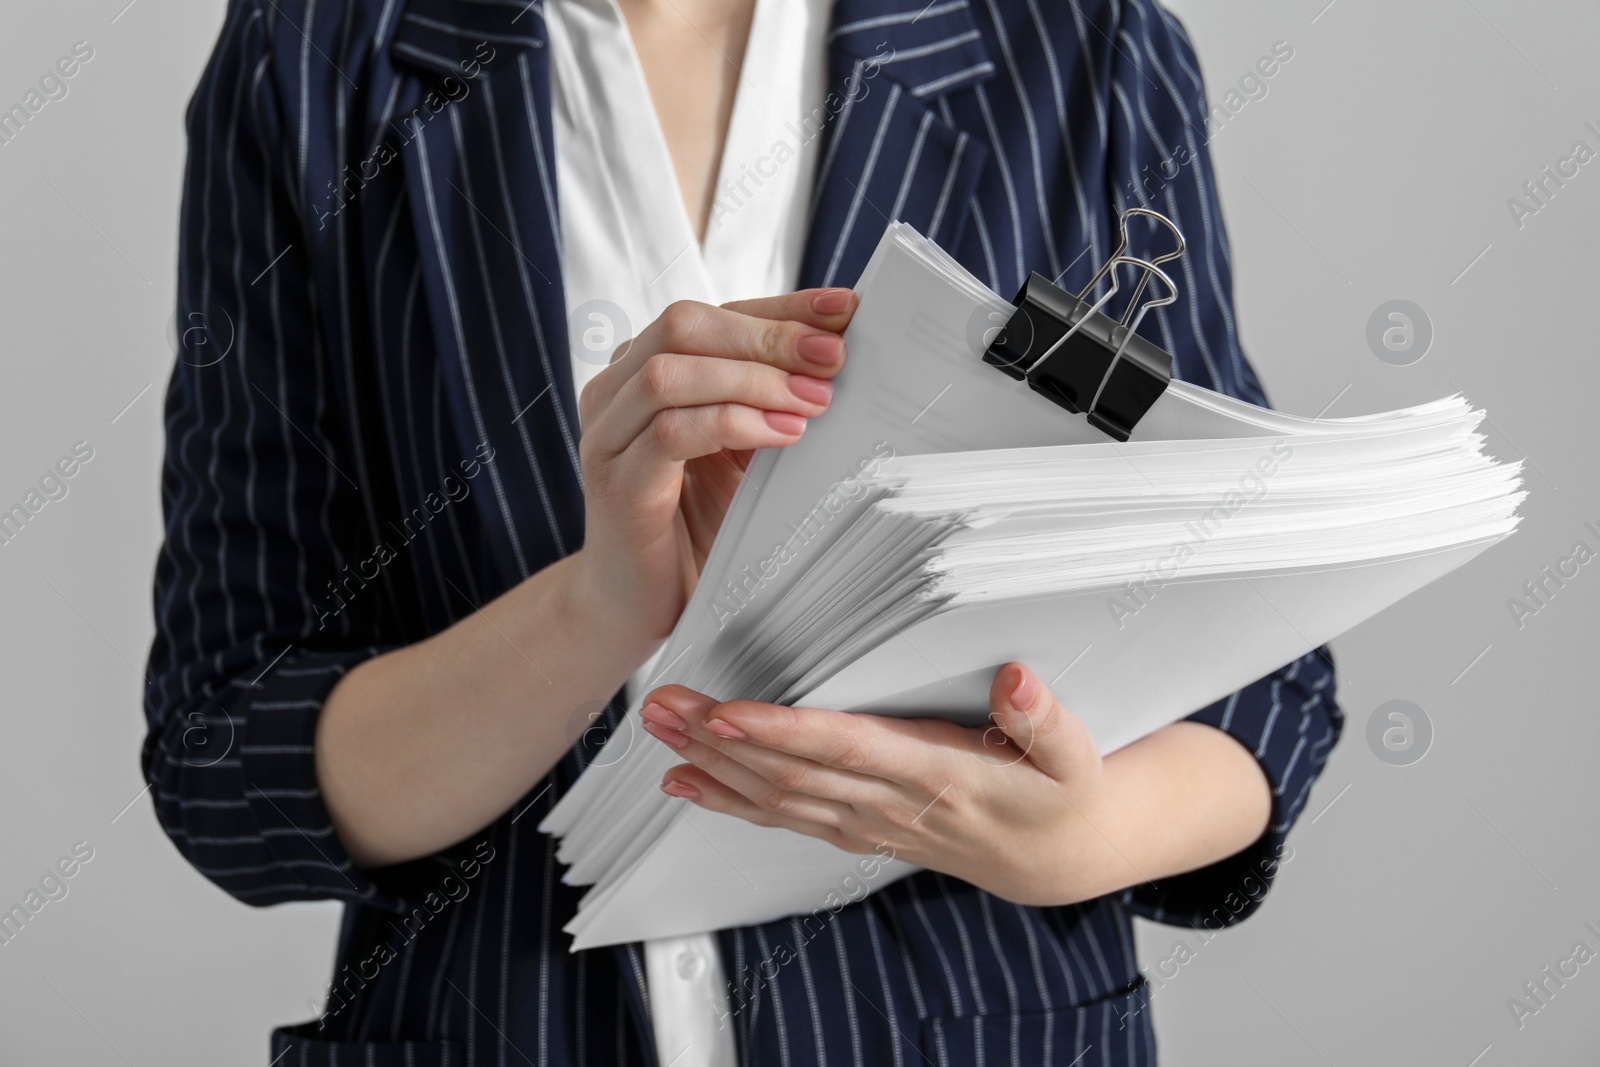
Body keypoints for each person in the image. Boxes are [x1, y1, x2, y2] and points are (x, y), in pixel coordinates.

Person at [143, 0, 1341, 1063]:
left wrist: (1082, 836)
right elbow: (224, 751)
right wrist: (600, 604)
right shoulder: (309, 55)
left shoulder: (1079, 44)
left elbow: (1262, 673)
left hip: (976, 1011)